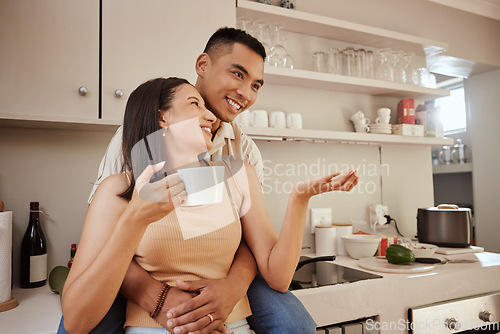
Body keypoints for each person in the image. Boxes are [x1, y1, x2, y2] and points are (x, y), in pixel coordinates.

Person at [58, 27, 353, 334]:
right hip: (133, 278)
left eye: (256, 85)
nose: (246, 94)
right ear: (203, 66)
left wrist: (232, 287)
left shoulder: (243, 156)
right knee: (74, 326)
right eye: (238, 75)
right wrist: (159, 299)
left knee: (295, 325)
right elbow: (107, 235)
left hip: (223, 275)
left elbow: (249, 241)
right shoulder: (132, 150)